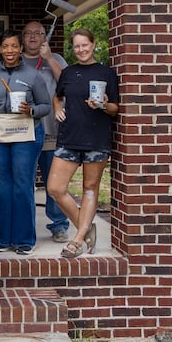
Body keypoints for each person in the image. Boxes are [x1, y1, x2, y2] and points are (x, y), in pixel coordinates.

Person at [47, 29, 119, 258]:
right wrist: (57, 108)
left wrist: (103, 106)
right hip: (69, 137)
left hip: (97, 139)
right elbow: (57, 95)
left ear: (94, 44)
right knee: (55, 189)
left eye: (85, 45)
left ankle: (77, 240)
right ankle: (86, 228)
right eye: (77, 46)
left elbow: (115, 109)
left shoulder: (107, 73)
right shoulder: (68, 72)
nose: (81, 50)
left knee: (90, 189)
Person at [0, 29, 51, 255]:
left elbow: (46, 106)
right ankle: (3, 238)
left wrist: (30, 110)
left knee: (22, 185)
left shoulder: (34, 75)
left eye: (14, 46)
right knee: (1, 187)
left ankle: (24, 239)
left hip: (27, 135)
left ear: (20, 48)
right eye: (5, 47)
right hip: (0, 137)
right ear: (0, 50)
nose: (10, 50)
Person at [21, 20, 70, 244]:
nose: (33, 37)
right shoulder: (16, 60)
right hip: (23, 132)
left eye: (38, 33)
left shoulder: (56, 58)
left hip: (52, 130)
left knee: (54, 183)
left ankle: (59, 225)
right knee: (25, 182)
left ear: (44, 37)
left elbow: (68, 84)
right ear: (22, 38)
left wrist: (49, 58)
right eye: (28, 33)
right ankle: (25, 227)